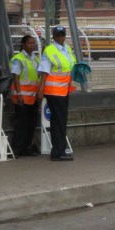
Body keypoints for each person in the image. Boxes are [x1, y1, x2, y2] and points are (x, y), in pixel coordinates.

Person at [36, 25, 75, 161]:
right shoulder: (50, 50)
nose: (60, 37)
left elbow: (69, 68)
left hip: (64, 90)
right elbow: (44, 72)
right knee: (59, 121)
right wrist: (40, 90)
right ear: (53, 36)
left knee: (60, 121)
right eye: (58, 35)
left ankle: (59, 150)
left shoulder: (67, 49)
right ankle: (58, 152)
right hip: (54, 91)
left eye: (62, 35)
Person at [9, 34, 40, 156]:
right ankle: (16, 149)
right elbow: (15, 77)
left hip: (33, 97)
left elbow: (38, 76)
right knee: (21, 124)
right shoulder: (18, 58)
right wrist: (20, 94)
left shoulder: (35, 58)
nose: (32, 45)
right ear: (23, 45)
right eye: (30, 43)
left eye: (33, 43)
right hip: (22, 97)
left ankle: (25, 147)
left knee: (31, 124)